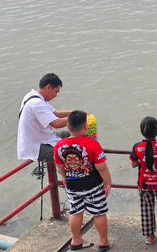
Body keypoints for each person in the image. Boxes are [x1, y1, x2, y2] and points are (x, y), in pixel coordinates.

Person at [53, 110, 112, 251]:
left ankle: (76, 240)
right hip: (93, 186)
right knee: (98, 212)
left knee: (75, 211)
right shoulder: (92, 144)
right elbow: (101, 167)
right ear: (86, 126)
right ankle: (103, 242)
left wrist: (64, 177)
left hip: (72, 185)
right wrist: (108, 182)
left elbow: (59, 166)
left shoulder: (59, 146)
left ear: (68, 127)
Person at [130, 116, 157, 245]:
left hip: (144, 183)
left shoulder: (137, 146)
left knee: (147, 209)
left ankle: (150, 236)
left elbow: (134, 164)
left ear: (142, 131)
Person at [17, 73, 72, 162]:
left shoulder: (32, 96)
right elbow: (56, 123)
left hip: (43, 137)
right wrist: (78, 118)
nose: (55, 96)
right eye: (56, 92)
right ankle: (67, 175)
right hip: (37, 146)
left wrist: (75, 112)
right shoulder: (37, 103)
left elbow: (55, 113)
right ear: (48, 87)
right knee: (73, 153)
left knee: (72, 133)